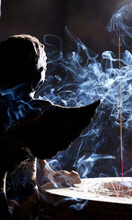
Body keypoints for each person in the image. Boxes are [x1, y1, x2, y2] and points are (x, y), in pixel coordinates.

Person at [0, 34, 100, 219]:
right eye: (44, 66)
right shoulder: (38, 112)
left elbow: (35, 154)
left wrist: (52, 175)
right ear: (38, 73)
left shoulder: (28, 111)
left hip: (25, 198)